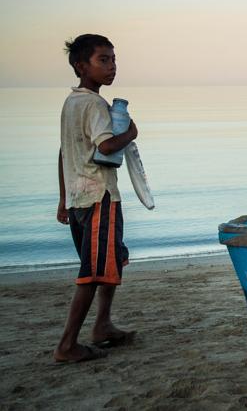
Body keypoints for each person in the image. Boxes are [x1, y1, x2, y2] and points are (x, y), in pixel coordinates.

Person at [53, 34, 138, 363]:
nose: (112, 66)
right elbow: (105, 147)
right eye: (103, 60)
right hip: (99, 196)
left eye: (114, 60)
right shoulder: (94, 104)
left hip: (78, 198)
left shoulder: (71, 103)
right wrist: (130, 133)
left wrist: (63, 200)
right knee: (93, 271)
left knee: (112, 259)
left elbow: (65, 153)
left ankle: (102, 326)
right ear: (80, 65)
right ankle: (66, 345)